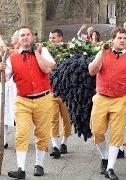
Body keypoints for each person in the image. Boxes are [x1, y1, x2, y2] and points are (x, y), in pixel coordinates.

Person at [88, 27, 126, 180]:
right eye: (119, 38)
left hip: (120, 99)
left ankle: (110, 168)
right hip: (101, 97)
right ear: (113, 39)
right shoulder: (103, 53)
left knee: (116, 135)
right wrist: (101, 53)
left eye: (124, 38)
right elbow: (92, 71)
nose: (122, 40)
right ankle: (105, 156)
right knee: (97, 131)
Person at [0, 26, 55, 179]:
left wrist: (36, 52)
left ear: (32, 37)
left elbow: (47, 69)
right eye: (22, 35)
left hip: (44, 98)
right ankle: (21, 169)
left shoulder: (43, 51)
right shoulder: (12, 58)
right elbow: (4, 79)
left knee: (42, 134)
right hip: (23, 100)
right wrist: (0, 70)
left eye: (28, 35)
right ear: (19, 38)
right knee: (21, 134)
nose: (25, 37)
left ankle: (39, 165)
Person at [0, 30, 20, 150]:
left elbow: (4, 50)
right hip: (6, 84)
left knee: (17, 114)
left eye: (14, 36)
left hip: (15, 85)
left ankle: (20, 141)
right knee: (2, 112)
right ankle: (3, 141)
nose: (12, 38)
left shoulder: (18, 51)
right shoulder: (10, 49)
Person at [48, 29, 72, 158]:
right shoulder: (45, 52)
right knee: (53, 120)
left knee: (67, 120)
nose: (51, 40)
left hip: (65, 92)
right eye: (50, 38)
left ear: (60, 38)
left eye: (54, 38)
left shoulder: (67, 51)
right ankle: (55, 146)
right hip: (51, 92)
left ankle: (64, 143)